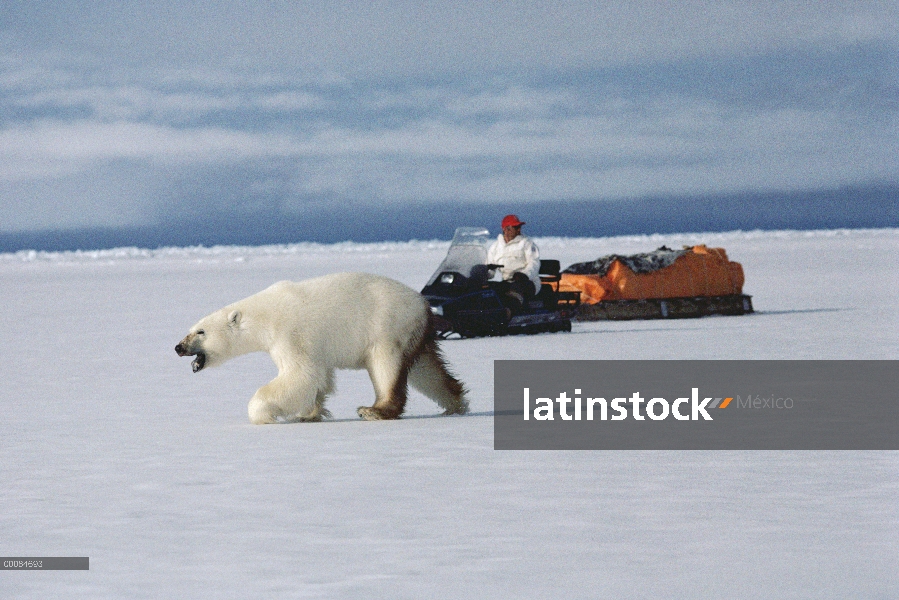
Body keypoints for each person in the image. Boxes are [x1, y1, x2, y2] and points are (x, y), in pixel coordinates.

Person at [486, 214, 541, 310]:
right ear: (505, 229)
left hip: (528, 282)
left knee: (515, 290)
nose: (519, 229)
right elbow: (490, 270)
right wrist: (482, 273)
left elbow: (534, 263)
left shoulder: (526, 243)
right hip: (507, 282)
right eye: (515, 227)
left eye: (519, 227)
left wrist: (524, 275)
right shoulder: (495, 247)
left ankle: (509, 312)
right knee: (489, 290)